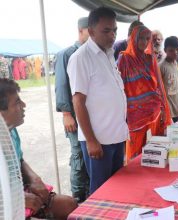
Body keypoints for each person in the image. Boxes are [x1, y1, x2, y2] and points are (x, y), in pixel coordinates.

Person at [67, 7, 128, 194]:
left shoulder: (109, 55)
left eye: (115, 30)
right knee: (101, 193)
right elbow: (78, 102)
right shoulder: (81, 58)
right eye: (106, 30)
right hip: (99, 141)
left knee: (117, 190)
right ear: (91, 31)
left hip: (116, 138)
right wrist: (91, 141)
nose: (112, 35)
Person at [0, 78, 77, 219]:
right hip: (7, 205)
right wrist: (19, 198)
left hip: (19, 191)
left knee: (69, 204)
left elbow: (20, 160)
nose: (24, 104)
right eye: (17, 102)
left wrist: (34, 178)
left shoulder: (11, 131)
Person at [117, 25, 171, 161]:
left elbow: (159, 85)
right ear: (134, 38)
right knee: (135, 156)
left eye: (147, 39)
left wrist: (164, 107)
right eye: (141, 38)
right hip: (135, 116)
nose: (144, 42)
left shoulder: (150, 58)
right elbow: (119, 87)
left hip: (154, 112)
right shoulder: (124, 59)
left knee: (155, 153)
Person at [54, 17, 90, 203]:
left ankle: (89, 196)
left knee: (89, 157)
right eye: (89, 32)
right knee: (79, 158)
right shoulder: (66, 54)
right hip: (74, 117)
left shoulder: (91, 54)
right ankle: (77, 200)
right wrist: (66, 114)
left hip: (90, 116)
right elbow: (61, 85)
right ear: (81, 31)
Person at [159, 36, 178, 123]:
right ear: (165, 50)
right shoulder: (161, 66)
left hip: (176, 108)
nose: (175, 52)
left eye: (177, 49)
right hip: (167, 110)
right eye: (171, 50)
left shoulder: (175, 63)